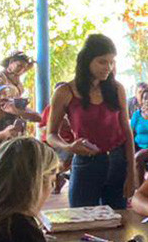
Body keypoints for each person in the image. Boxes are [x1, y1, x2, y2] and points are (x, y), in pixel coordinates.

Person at [47, 34, 137, 209]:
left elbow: (127, 131)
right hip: (86, 163)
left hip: (117, 160)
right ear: (87, 61)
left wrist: (131, 173)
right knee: (82, 219)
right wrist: (68, 147)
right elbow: (51, 135)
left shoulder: (116, 88)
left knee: (117, 220)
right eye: (102, 62)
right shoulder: (65, 92)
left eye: (111, 62)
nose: (108, 67)